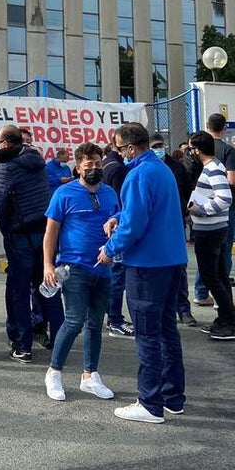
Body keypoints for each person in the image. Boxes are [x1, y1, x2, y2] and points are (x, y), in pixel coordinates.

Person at [98, 122, 187, 423]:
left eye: (119, 149)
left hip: (147, 266)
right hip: (171, 260)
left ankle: (150, 403)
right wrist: (116, 217)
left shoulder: (137, 174)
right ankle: (172, 397)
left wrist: (109, 249)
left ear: (131, 148)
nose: (118, 154)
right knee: (166, 331)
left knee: (147, 335)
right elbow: (143, 210)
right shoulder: (160, 170)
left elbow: (135, 225)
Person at [41, 143, 117, 402]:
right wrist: (47, 265)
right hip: (74, 268)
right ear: (78, 167)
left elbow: (119, 221)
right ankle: (54, 371)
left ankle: (90, 375)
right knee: (73, 321)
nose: (95, 168)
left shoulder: (109, 193)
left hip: (104, 268)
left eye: (98, 164)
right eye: (89, 165)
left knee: (95, 323)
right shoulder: (64, 193)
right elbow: (50, 232)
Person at [0, 125, 63, 363]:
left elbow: (1, 202)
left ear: (6, 143)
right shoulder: (36, 161)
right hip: (43, 230)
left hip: (19, 233)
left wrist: (7, 231)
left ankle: (23, 345)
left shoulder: (7, 165)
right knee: (48, 286)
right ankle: (59, 340)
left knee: (19, 291)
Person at [186, 131, 235, 341]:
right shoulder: (213, 167)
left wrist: (200, 209)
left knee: (211, 277)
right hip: (211, 229)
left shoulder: (212, 169)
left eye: (191, 149)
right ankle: (225, 318)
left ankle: (230, 321)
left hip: (210, 230)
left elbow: (225, 198)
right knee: (218, 276)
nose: (190, 152)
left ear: (197, 150)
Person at [193, 113, 235, 305]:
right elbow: (231, 180)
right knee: (222, 259)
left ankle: (201, 292)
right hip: (219, 215)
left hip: (204, 215)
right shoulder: (227, 151)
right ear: (224, 128)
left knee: (207, 262)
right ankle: (223, 303)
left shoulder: (202, 160)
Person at [154, 139, 194, 327]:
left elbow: (187, 188)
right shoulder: (144, 169)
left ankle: (184, 309)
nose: (158, 150)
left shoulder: (176, 167)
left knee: (179, 268)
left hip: (175, 222)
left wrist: (184, 210)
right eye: (154, 147)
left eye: (160, 146)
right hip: (153, 226)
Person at [101, 143, 134, 340]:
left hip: (111, 224)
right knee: (117, 278)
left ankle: (112, 318)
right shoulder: (120, 169)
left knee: (114, 277)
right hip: (117, 227)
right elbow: (127, 204)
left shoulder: (106, 166)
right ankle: (114, 320)